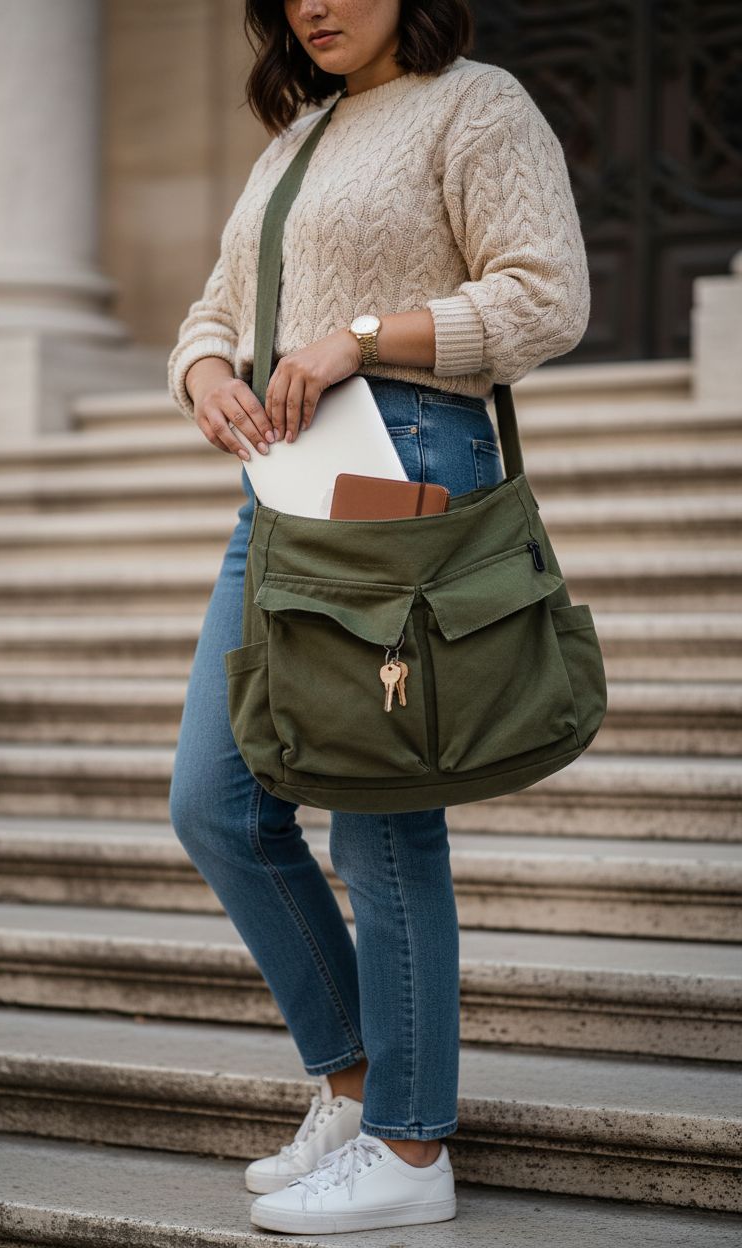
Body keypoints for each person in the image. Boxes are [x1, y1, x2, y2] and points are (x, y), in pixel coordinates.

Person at [167, 0, 589, 1234]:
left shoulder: (476, 103)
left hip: (405, 471)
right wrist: (201, 371)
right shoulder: (292, 141)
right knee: (219, 802)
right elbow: (216, 310)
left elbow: (543, 297)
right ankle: (353, 1088)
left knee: (381, 818)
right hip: (285, 490)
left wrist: (362, 337)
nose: (316, 2)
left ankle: (409, 1154)